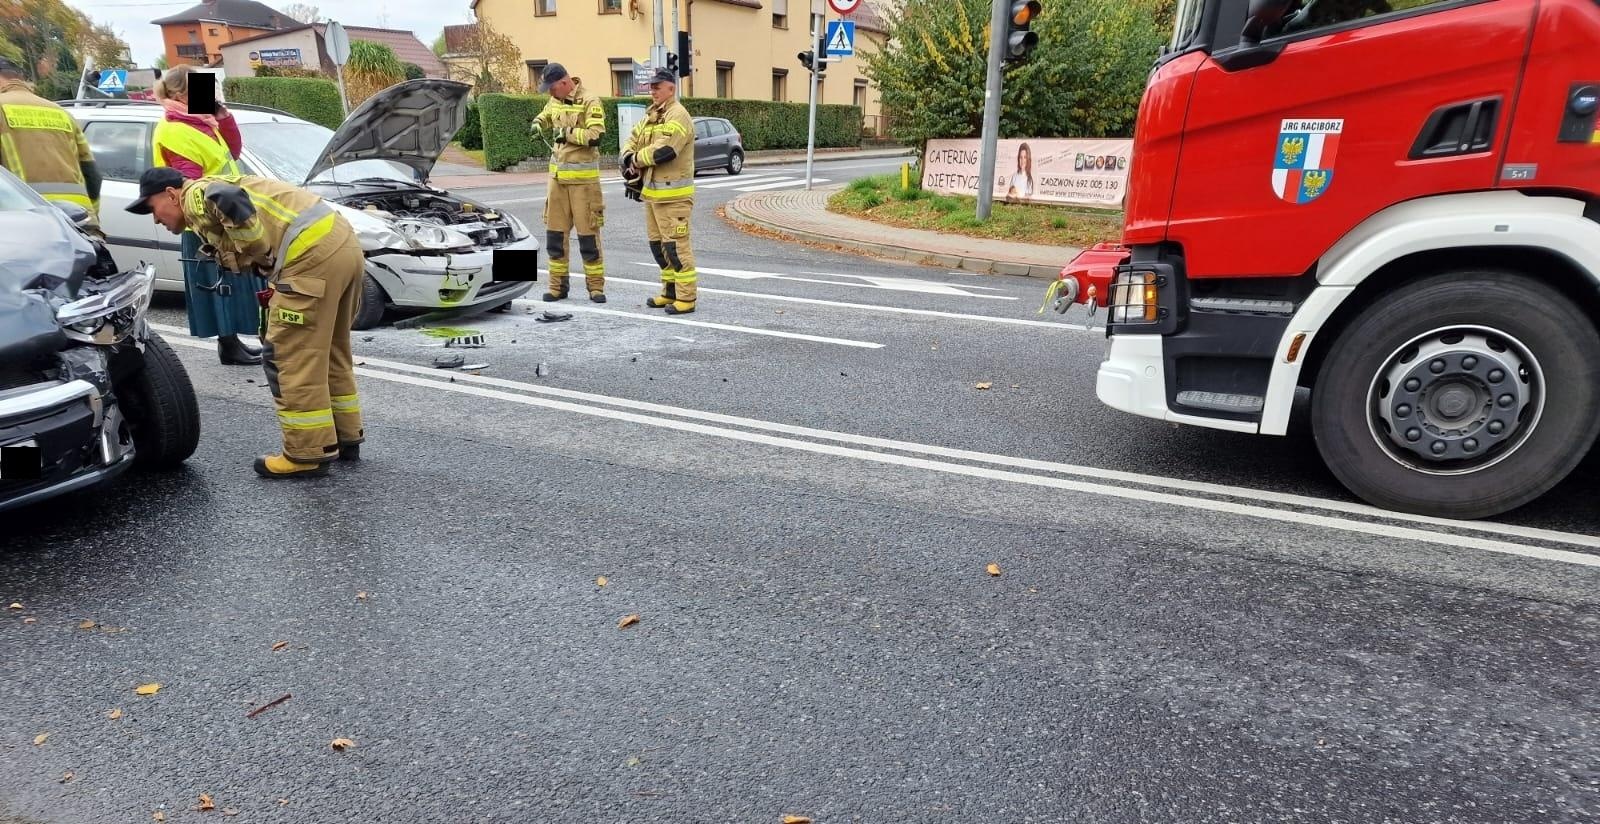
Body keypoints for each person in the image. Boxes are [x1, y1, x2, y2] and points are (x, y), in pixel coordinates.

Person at [128, 167, 365, 479]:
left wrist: (256, 250)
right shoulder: (212, 194)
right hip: (340, 245)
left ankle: (306, 454)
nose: (155, 219)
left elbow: (226, 199)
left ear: (172, 194)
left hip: (309, 257)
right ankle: (344, 436)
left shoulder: (197, 195)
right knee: (329, 349)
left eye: (152, 208)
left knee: (289, 357)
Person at [152, 65, 263, 366]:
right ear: (178, 93)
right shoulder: (174, 129)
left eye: (208, 90)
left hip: (221, 210)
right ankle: (229, 345)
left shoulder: (201, 122)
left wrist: (223, 116)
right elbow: (188, 180)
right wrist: (209, 217)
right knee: (218, 284)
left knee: (232, 281)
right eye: (199, 90)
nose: (208, 96)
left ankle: (234, 342)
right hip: (203, 219)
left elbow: (234, 153)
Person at [621, 67, 698, 315]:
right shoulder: (651, 115)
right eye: (650, 87)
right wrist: (627, 157)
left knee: (677, 248)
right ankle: (670, 292)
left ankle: (686, 298)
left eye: (656, 87)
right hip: (653, 195)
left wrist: (634, 160)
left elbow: (665, 151)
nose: (652, 91)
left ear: (671, 88)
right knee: (659, 248)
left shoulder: (678, 115)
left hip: (674, 197)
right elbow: (631, 139)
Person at [532, 63, 608, 303]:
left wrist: (567, 133)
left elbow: (596, 135)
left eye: (552, 88)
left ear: (565, 83)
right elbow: (546, 114)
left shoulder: (589, 101)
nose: (550, 93)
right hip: (557, 183)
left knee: (588, 239)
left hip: (583, 185)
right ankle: (557, 287)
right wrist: (537, 122)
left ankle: (595, 288)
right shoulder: (554, 99)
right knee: (555, 237)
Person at [0, 57, 102, 230]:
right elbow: (92, 175)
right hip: (79, 223)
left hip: (25, 227)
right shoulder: (61, 112)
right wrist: (90, 217)